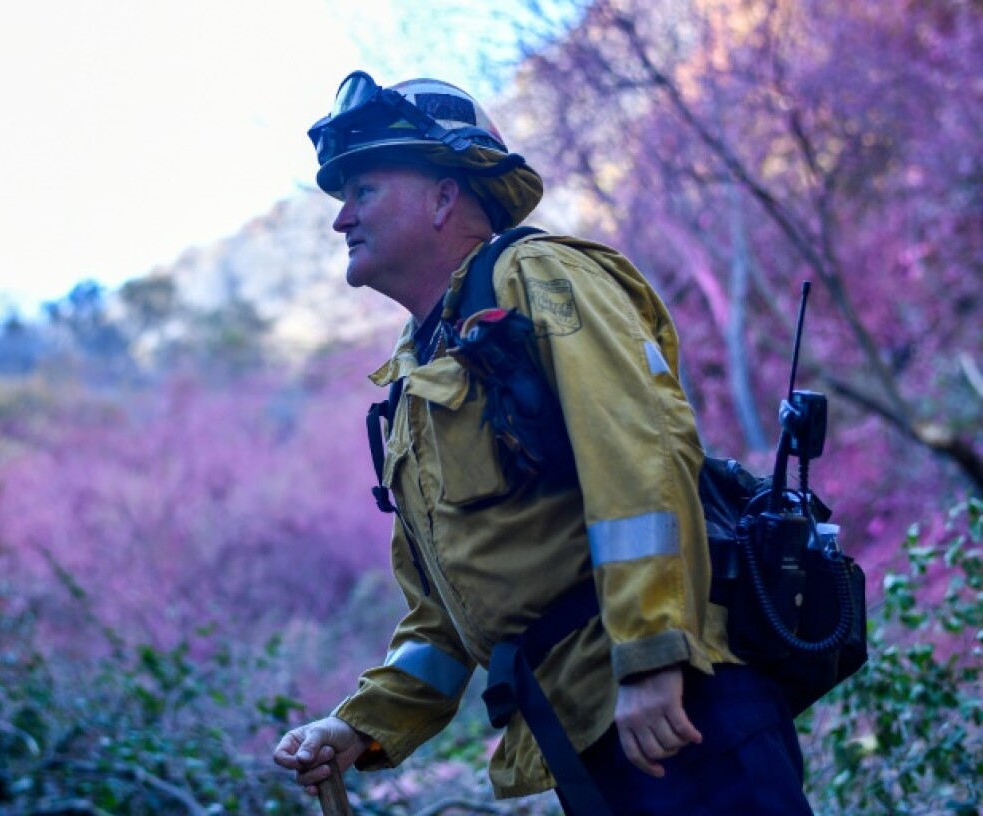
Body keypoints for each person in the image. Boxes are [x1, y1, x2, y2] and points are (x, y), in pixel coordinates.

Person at [274, 72, 814, 815]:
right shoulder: (415, 379)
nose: (342, 219)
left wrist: (652, 656)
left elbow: (638, 456)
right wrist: (358, 727)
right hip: (587, 733)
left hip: (675, 708)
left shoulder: (539, 275)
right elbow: (443, 618)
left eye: (363, 189)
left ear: (444, 197)